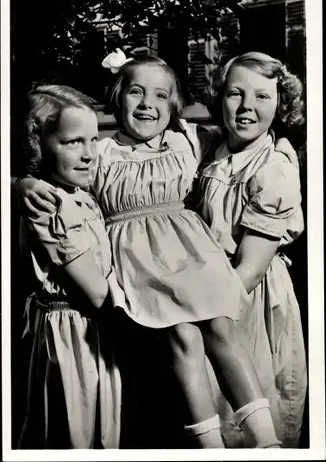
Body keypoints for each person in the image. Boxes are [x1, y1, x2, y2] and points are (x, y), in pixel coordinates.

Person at [17, 52, 290, 449]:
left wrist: (281, 145)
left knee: (221, 327)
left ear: (175, 104)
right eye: (136, 92)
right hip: (139, 264)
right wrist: (19, 183)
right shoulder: (101, 153)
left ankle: (267, 441)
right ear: (116, 96)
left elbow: (244, 144)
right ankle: (209, 444)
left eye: (161, 96)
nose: (148, 104)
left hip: (191, 256)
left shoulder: (189, 140)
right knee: (183, 337)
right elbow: (51, 169)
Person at [194, 51, 307, 448]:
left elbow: (251, 270)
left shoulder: (274, 168)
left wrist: (199, 310)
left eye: (262, 96)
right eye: (235, 94)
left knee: (242, 404)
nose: (246, 107)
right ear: (219, 97)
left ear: (281, 104)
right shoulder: (209, 151)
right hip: (205, 287)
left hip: (243, 299)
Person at [16, 85, 121, 448]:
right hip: (72, 332)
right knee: (76, 427)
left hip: (93, 330)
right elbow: (94, 292)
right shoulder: (50, 203)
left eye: (94, 140)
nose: (90, 154)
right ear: (37, 144)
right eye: (73, 142)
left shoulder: (80, 194)